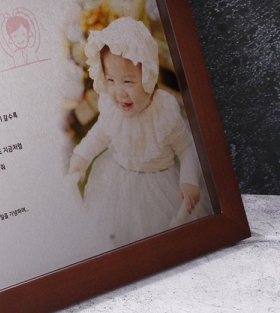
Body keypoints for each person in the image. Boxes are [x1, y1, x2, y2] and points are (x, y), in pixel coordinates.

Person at [68, 17, 212, 248]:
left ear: (148, 77)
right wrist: (82, 156)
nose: (119, 92)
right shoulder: (111, 106)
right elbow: (101, 133)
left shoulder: (163, 111)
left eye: (128, 82)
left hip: (159, 185)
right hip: (117, 182)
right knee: (117, 234)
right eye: (111, 80)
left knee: (161, 239)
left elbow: (186, 148)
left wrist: (188, 179)